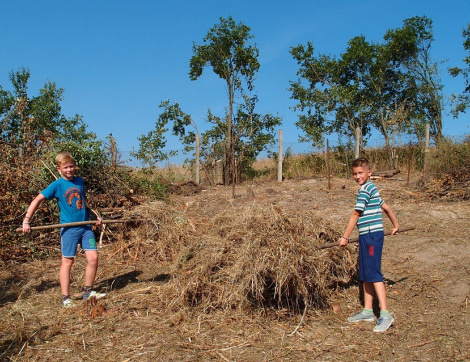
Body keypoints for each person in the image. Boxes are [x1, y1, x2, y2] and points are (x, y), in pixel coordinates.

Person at [22, 151, 106, 308]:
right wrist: (26, 221)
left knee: (93, 258)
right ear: (59, 169)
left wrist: (94, 218)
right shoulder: (57, 185)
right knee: (68, 261)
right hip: (69, 229)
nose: (69, 170)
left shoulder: (80, 181)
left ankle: (88, 292)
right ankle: (65, 298)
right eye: (66, 167)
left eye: (72, 166)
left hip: (85, 227)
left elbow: (82, 204)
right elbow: (37, 200)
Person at [338, 158, 399, 332]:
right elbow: (385, 207)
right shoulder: (371, 189)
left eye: (361, 173)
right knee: (365, 274)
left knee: (374, 274)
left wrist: (345, 237)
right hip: (367, 236)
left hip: (372, 236)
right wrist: (396, 225)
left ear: (369, 173)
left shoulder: (366, 190)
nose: (357, 176)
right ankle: (367, 311)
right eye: (355, 174)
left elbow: (355, 214)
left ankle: (385, 315)